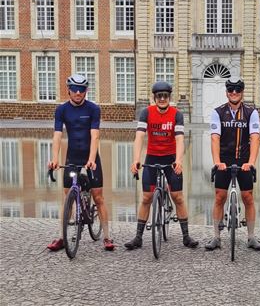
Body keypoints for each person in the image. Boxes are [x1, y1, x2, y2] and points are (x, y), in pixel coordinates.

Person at [125, 81, 198, 250]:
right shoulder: (146, 113)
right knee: (146, 198)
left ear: (169, 97)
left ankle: (186, 236)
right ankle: (138, 237)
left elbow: (180, 139)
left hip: (171, 158)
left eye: (165, 96)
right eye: (159, 96)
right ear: (154, 98)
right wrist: (136, 159)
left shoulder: (176, 114)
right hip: (151, 158)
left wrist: (179, 160)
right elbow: (139, 137)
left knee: (178, 197)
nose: (162, 99)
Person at [47, 74, 115, 251]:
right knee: (67, 195)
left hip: (90, 157)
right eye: (75, 89)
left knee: (98, 197)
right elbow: (57, 135)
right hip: (72, 157)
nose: (78, 93)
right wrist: (55, 158)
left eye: (82, 89)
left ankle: (107, 237)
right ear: (68, 89)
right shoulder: (61, 110)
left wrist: (91, 159)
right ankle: (62, 237)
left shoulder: (93, 109)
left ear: (86, 91)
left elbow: (95, 136)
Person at [205, 77, 260, 251]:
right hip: (224, 159)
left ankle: (251, 237)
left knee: (248, 197)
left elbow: (255, 138)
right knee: (219, 197)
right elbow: (215, 138)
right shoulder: (218, 112)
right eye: (231, 90)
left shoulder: (251, 112)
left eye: (237, 90)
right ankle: (216, 236)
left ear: (242, 92)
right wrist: (217, 162)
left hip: (244, 160)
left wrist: (251, 162)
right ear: (226, 93)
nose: (234, 93)